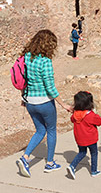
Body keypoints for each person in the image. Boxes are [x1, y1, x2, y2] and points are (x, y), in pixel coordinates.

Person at [16, 30, 72, 178]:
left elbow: (23, 81)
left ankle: (25, 157)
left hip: (30, 102)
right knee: (51, 130)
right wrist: (63, 104)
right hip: (44, 102)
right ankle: (50, 163)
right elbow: (50, 87)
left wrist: (23, 98)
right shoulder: (45, 61)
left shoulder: (26, 57)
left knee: (40, 130)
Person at [67, 91, 101, 179]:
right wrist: (95, 114)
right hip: (91, 139)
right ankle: (94, 171)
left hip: (80, 139)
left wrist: (74, 111)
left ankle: (72, 166)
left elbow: (72, 119)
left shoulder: (75, 115)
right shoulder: (91, 115)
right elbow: (99, 122)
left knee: (82, 152)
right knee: (94, 153)